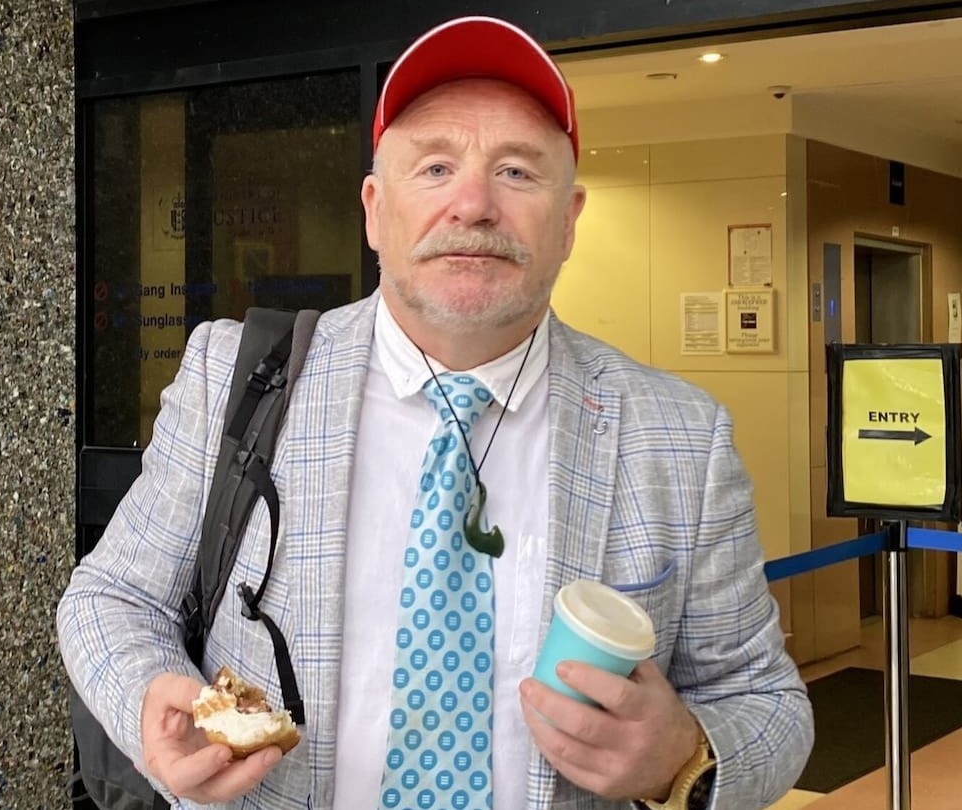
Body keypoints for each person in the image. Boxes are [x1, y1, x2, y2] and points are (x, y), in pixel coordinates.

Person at [58, 14, 812, 810]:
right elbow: (112, 598)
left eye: (518, 172)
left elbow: (766, 701)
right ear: (376, 211)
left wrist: (686, 758)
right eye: (436, 168)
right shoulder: (234, 378)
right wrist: (149, 698)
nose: (475, 203)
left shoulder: (680, 438)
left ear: (569, 221)